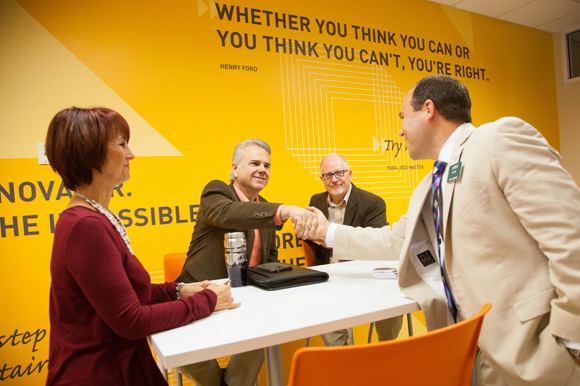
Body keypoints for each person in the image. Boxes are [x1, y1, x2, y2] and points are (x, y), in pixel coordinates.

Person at [307, 75, 580, 386]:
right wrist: (327, 231)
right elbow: (395, 240)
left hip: (535, 352)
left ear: (428, 109)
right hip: (474, 351)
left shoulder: (498, 139)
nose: (399, 130)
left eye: (402, 117)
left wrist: (572, 340)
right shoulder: (429, 184)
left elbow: (571, 238)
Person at [44, 107, 239, 386]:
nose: (131, 154)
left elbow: (124, 293)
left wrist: (177, 289)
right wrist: (207, 301)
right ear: (91, 152)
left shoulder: (93, 217)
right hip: (102, 373)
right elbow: (130, 319)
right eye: (122, 144)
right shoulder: (84, 226)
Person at [176, 139, 317, 386]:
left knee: (261, 338)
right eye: (255, 163)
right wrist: (283, 210)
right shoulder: (216, 192)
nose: (263, 169)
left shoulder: (265, 207)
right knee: (187, 354)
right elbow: (230, 213)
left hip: (245, 300)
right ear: (234, 169)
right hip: (200, 293)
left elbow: (269, 260)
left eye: (267, 165)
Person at [304, 153, 403, 346]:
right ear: (322, 180)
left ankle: (387, 350)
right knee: (323, 307)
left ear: (349, 174)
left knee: (391, 302)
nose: (334, 179)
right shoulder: (316, 201)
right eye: (327, 175)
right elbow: (312, 238)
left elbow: (376, 246)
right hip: (330, 276)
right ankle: (343, 356)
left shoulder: (372, 203)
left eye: (339, 173)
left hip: (364, 275)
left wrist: (333, 238)